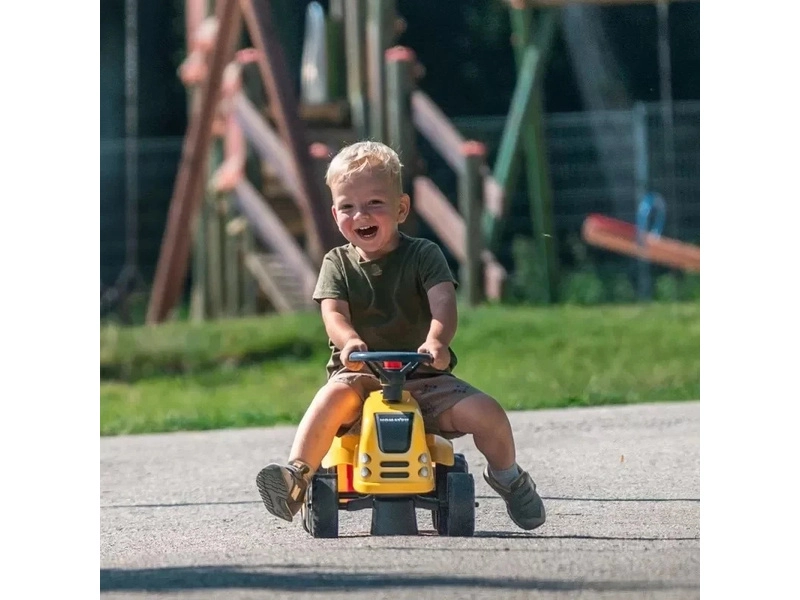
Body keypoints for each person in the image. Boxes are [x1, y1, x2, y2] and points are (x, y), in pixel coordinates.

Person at [256, 141, 545, 531]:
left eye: (375, 203)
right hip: (361, 379)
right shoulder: (336, 263)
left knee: (487, 413)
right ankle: (297, 476)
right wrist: (350, 343)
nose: (361, 215)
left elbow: (443, 303)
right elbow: (333, 314)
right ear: (334, 213)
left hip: (425, 379)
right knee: (330, 398)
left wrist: (437, 343)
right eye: (348, 207)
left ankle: (508, 476)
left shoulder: (424, 255)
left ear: (401, 209)